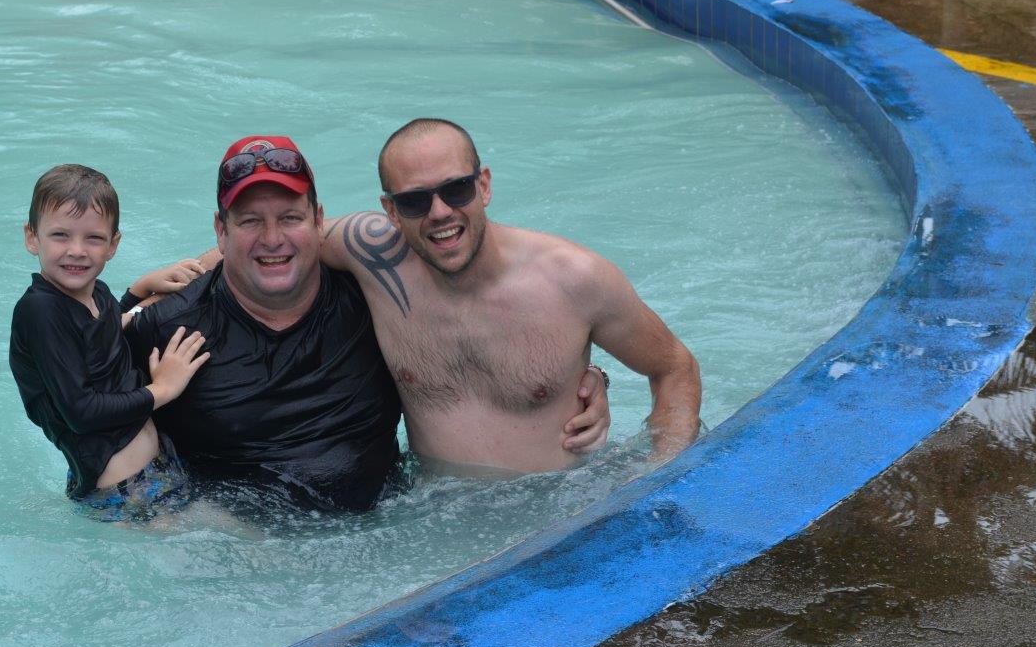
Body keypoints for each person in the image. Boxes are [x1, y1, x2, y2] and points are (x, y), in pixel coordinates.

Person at [121, 136, 610, 511]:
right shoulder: (167, 328)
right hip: (235, 554)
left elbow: (475, 349)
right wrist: (180, 519)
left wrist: (580, 382)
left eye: (290, 218)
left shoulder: (375, 297)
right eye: (250, 221)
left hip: (392, 524)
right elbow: (96, 437)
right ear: (221, 230)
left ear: (318, 221)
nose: (272, 239)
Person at [318, 118, 701, 470]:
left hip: (565, 501)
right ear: (391, 210)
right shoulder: (372, 257)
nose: (439, 212)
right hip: (430, 503)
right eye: (414, 201)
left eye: (456, 189)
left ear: (483, 186)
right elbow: (289, 236)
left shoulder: (574, 278)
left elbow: (674, 367)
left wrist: (657, 475)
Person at [9, 164, 209, 519]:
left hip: (153, 473)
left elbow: (98, 337)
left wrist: (139, 290)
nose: (77, 250)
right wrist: (162, 390)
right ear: (32, 237)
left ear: (113, 244)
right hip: (123, 496)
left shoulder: (95, 292)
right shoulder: (39, 311)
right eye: (60, 235)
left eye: (94, 238)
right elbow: (81, 413)